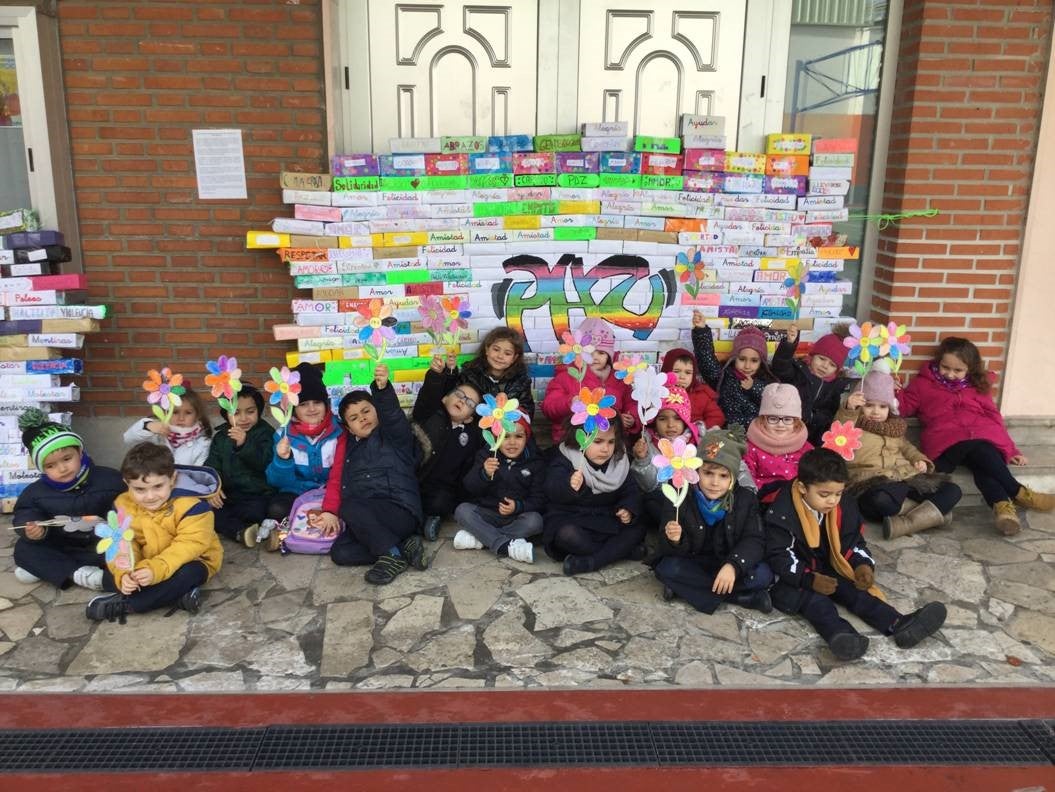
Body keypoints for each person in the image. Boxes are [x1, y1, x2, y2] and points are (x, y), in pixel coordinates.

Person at [764, 448, 947, 661]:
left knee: (855, 592)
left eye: (838, 493)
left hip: (828, 565)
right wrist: (807, 578)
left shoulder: (845, 506)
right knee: (816, 603)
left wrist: (862, 565)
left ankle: (899, 624)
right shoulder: (782, 511)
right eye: (824, 494)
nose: (832, 501)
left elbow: (853, 541)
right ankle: (841, 636)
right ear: (803, 488)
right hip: (794, 578)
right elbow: (779, 555)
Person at [900, 337, 1053, 536]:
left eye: (958, 370)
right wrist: (893, 389)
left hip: (981, 437)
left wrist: (1010, 449)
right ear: (938, 362)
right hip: (945, 443)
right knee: (978, 447)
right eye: (946, 367)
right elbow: (902, 408)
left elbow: (994, 417)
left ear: (970, 370)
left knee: (983, 456)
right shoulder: (922, 385)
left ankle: (1003, 510)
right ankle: (1017, 491)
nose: (951, 374)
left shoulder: (977, 386)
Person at [314, 364, 428, 585]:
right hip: (369, 519)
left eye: (366, 411)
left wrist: (382, 390)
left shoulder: (394, 438)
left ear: (377, 411)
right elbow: (340, 481)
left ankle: (392, 557)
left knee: (349, 507)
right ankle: (403, 546)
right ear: (348, 428)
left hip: (399, 509)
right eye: (355, 418)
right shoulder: (349, 450)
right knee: (341, 553)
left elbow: (393, 416)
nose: (363, 418)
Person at [85, 443, 224, 623]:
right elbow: (123, 542)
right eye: (140, 489)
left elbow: (189, 546)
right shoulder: (122, 504)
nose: (150, 496)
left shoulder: (193, 505)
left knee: (188, 574)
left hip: (193, 560)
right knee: (115, 572)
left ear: (172, 479)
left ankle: (130, 604)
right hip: (146, 562)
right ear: (127, 483)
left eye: (158, 486)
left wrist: (154, 569)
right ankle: (180, 597)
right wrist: (125, 573)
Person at [649, 427, 774, 614]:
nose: (715, 482)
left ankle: (685, 589)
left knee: (763, 575)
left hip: (727, 560)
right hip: (693, 560)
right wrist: (675, 540)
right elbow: (666, 544)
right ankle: (742, 597)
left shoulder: (745, 499)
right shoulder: (679, 494)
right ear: (696, 470)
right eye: (708, 473)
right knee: (667, 568)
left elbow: (754, 539)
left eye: (723, 476)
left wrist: (733, 565)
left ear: (733, 477)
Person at [11, 409, 125, 591]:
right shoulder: (36, 492)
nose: (62, 468)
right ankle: (81, 574)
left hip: (102, 544)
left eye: (67, 458)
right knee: (24, 549)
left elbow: (127, 506)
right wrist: (33, 529)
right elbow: (25, 511)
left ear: (79, 452)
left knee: (133, 546)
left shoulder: (109, 479)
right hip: (63, 544)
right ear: (42, 468)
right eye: (51, 465)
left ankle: (52, 569)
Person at [838, 370, 961, 538]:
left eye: (882, 406)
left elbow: (907, 447)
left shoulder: (894, 428)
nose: (876, 411)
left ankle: (906, 524)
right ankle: (935, 515)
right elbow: (839, 432)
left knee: (952, 490)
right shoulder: (853, 426)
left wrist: (919, 459)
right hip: (873, 482)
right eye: (869, 405)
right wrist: (848, 409)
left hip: (905, 476)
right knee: (878, 501)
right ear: (860, 405)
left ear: (890, 407)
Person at [542, 418, 643, 576]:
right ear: (581, 438)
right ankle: (620, 552)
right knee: (566, 535)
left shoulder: (619, 461)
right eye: (598, 441)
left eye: (611, 442)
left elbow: (631, 490)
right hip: (573, 516)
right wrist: (569, 486)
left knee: (637, 529)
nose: (605, 449)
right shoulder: (566, 457)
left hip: (607, 519)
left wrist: (627, 508)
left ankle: (592, 562)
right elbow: (551, 488)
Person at [452, 414, 545, 563]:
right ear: (496, 437)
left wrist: (518, 507)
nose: (512, 442)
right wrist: (484, 474)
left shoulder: (535, 462)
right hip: (487, 513)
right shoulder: (486, 455)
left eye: (518, 437)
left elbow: (539, 499)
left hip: (516, 518)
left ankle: (482, 539)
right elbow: (469, 486)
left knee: (536, 522)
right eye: (505, 436)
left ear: (526, 438)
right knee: (462, 510)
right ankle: (504, 545)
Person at [411, 353, 483, 541]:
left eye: (469, 403)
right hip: (415, 478)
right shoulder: (430, 415)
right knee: (406, 501)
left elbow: (468, 467)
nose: (462, 401)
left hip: (440, 488)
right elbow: (429, 395)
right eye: (460, 395)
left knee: (441, 503)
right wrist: (440, 373)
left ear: (469, 417)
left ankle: (432, 518)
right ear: (444, 399)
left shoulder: (470, 435)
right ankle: (413, 525)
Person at [265, 362, 342, 525]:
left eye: (317, 402)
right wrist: (282, 460)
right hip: (296, 492)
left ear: (326, 404)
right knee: (277, 509)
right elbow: (276, 482)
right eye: (303, 404)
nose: (312, 409)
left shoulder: (339, 432)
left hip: (332, 493)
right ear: (293, 408)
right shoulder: (283, 435)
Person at [541, 318, 637, 444]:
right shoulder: (565, 377)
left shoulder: (619, 380)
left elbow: (631, 403)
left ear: (609, 356)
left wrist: (631, 417)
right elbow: (549, 407)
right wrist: (570, 402)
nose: (595, 358)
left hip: (609, 443)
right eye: (590, 352)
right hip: (572, 442)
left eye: (601, 353)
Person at [204, 384, 277, 548]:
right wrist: (212, 488)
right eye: (236, 413)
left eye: (250, 412)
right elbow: (212, 464)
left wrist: (244, 444)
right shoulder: (221, 437)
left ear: (259, 411)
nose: (243, 418)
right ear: (226, 414)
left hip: (258, 493)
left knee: (255, 511)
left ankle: (245, 529)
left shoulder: (266, 433)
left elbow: (265, 462)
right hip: (230, 495)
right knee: (209, 513)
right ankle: (242, 532)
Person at [631, 379, 701, 527]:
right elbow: (648, 486)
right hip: (661, 500)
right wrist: (642, 459)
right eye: (663, 419)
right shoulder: (648, 444)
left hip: (691, 501)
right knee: (651, 501)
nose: (670, 425)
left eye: (677, 418)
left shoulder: (695, 442)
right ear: (655, 421)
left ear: (685, 421)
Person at [771, 324, 851, 446]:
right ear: (812, 356)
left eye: (832, 365)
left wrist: (813, 417)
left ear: (837, 370)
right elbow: (780, 367)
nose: (825, 366)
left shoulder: (834, 387)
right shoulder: (798, 371)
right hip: (785, 427)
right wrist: (788, 345)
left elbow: (829, 413)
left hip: (811, 435)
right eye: (822, 359)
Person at [691, 312, 775, 429]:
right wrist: (701, 331)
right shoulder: (724, 376)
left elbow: (773, 403)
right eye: (742, 359)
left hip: (756, 433)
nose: (747, 366)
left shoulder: (766, 381)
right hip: (727, 432)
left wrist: (754, 387)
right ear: (734, 358)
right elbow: (707, 361)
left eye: (754, 360)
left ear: (762, 362)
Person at [743, 383, 813, 502]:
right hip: (765, 501)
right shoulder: (751, 447)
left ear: (796, 422)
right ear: (763, 420)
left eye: (787, 419)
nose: (780, 424)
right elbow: (746, 477)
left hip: (800, 500)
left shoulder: (804, 447)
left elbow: (814, 475)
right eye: (773, 418)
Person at [457, 326, 535, 419]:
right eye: (496, 349)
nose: (500, 356)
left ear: (514, 358)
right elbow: (458, 404)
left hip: (507, 430)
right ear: (487, 350)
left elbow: (526, 411)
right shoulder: (470, 375)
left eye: (507, 353)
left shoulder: (521, 380)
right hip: (475, 428)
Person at [122, 385, 212, 466]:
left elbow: (198, 473)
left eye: (188, 413)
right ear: (165, 412)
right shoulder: (155, 433)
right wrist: (147, 426)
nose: (181, 418)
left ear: (197, 415)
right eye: (175, 412)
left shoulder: (203, 444)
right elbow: (128, 438)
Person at [659, 346, 724, 428]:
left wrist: (698, 430)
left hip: (695, 437)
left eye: (688, 372)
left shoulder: (702, 395)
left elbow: (717, 417)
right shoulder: (657, 394)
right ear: (666, 371)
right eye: (676, 371)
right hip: (665, 436)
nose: (682, 376)